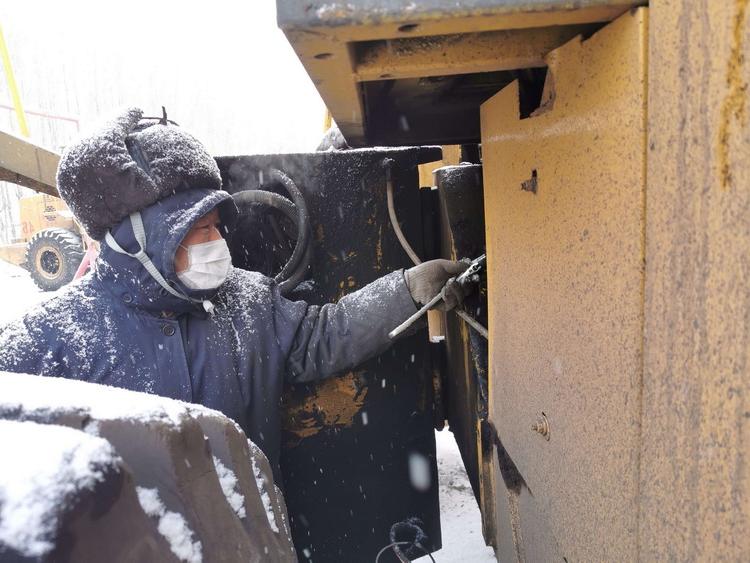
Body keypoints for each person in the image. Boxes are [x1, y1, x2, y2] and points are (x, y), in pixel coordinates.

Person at [0, 108, 468, 480]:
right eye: (195, 229)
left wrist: (407, 290)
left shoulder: (247, 301)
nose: (216, 242)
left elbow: (327, 334)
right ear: (135, 241)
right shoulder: (51, 338)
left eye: (216, 226)